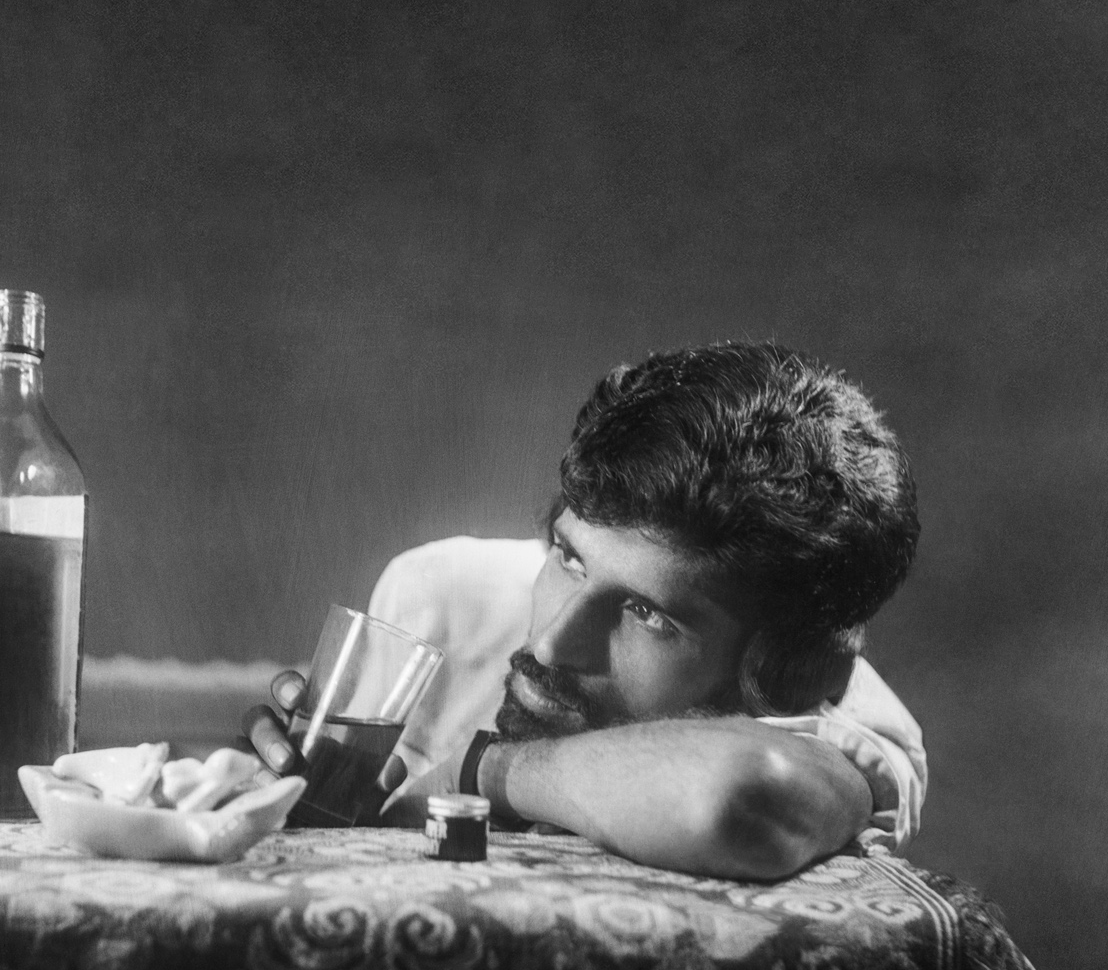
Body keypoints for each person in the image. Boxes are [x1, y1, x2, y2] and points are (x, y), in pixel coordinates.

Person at [243, 342, 926, 881]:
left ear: (775, 678)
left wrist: (485, 770)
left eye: (646, 613)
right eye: (569, 558)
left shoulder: (836, 714)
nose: (551, 645)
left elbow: (731, 800)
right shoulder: (446, 600)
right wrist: (289, 812)